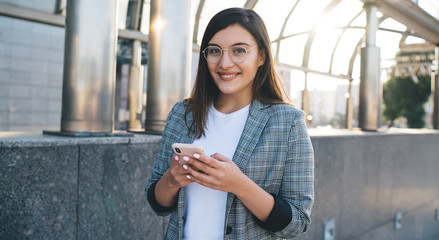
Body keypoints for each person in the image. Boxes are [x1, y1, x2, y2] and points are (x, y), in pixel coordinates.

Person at [146, 7, 314, 240]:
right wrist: (172, 179)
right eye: (215, 51)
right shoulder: (182, 113)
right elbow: (158, 203)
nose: (225, 63)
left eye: (239, 51)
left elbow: (297, 222)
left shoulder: (288, 122)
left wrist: (239, 184)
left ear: (262, 56)